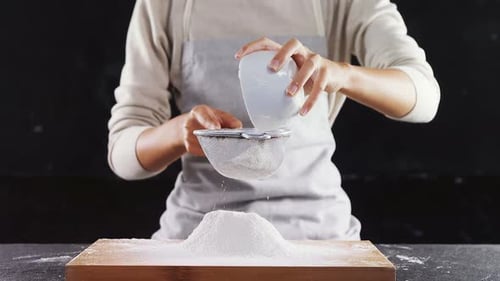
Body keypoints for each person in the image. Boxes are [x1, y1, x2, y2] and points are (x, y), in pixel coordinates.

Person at [108, 0, 440, 240]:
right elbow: (124, 154)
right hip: (199, 235)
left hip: (320, 235)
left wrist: (342, 74)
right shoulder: (162, 6)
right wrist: (178, 134)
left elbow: (424, 96)